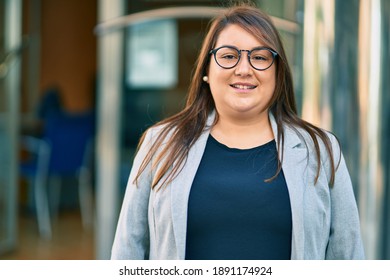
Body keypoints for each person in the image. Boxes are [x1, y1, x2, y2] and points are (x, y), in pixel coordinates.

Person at [111, 3, 365, 260]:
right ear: (206, 71)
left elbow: (349, 256)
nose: (244, 69)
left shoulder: (321, 150)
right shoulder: (160, 144)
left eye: (260, 57)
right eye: (229, 56)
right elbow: (127, 251)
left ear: (278, 73)